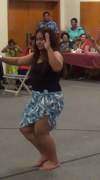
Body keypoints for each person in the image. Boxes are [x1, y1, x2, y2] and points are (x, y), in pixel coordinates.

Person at [0, 28, 64, 170]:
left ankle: (54, 160)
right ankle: (44, 153)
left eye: (43, 39)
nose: (40, 42)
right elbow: (17, 60)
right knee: (25, 128)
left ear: (50, 40)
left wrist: (48, 49)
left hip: (51, 97)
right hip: (36, 97)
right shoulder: (35, 55)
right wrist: (2, 58)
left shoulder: (56, 54)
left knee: (41, 131)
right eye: (38, 39)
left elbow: (57, 67)